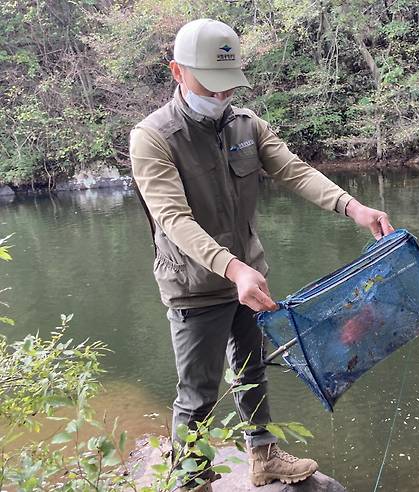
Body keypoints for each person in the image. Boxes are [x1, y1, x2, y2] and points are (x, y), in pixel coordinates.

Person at [129, 18, 394, 488]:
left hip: (250, 279)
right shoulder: (152, 137)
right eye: (209, 85)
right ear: (177, 72)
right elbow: (174, 219)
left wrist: (352, 206)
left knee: (253, 369)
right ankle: (190, 478)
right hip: (195, 287)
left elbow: (294, 171)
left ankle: (263, 456)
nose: (220, 96)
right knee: (197, 392)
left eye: (228, 86)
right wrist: (232, 269)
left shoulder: (247, 125)